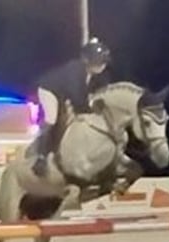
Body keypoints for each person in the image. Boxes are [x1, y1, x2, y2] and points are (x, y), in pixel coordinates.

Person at [30, 37, 112, 176]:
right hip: (49, 90)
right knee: (51, 119)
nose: (102, 65)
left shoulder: (92, 74)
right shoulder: (75, 70)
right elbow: (77, 97)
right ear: (87, 60)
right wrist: (90, 110)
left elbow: (90, 96)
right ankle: (41, 157)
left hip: (62, 94)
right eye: (98, 61)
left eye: (103, 61)